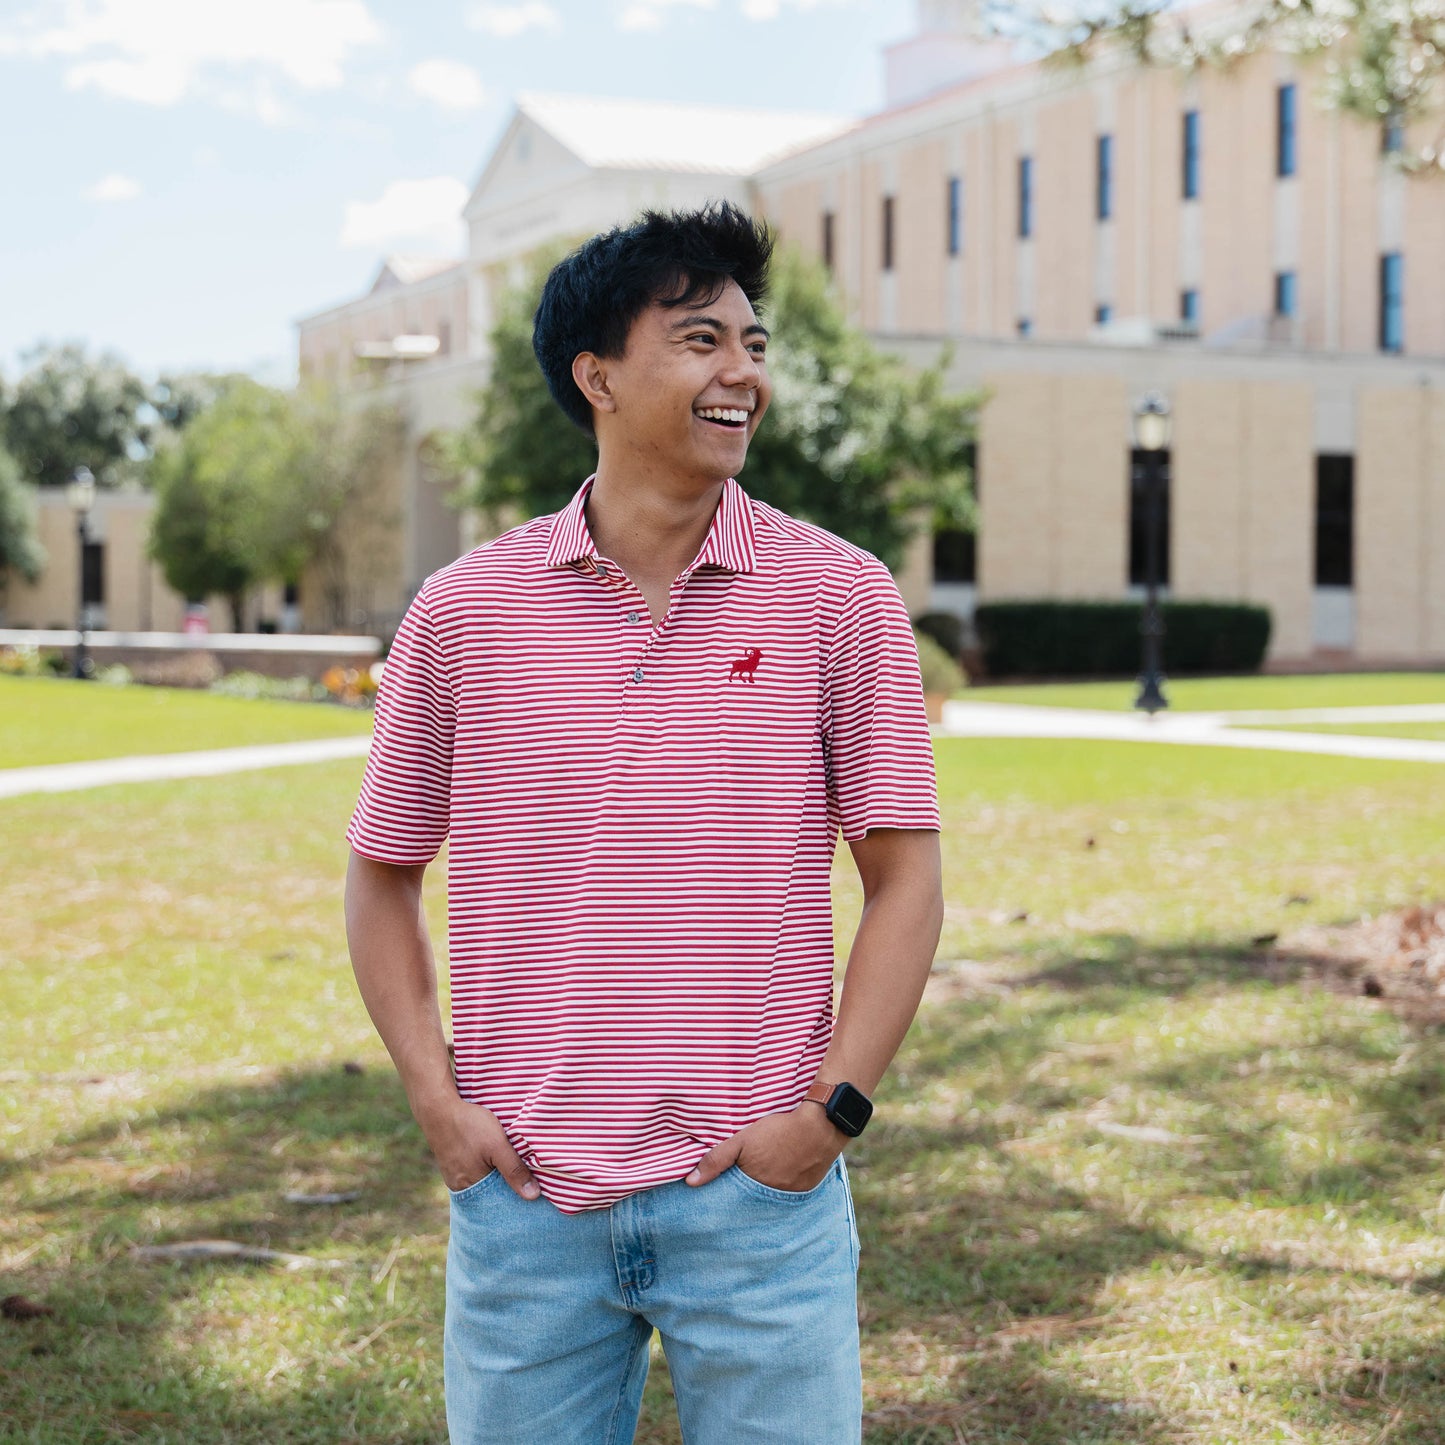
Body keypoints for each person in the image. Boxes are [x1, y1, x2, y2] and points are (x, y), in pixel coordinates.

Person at [344, 201, 943, 1444]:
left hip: (758, 1201)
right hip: (524, 1206)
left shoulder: (840, 595)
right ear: (597, 375)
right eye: (699, 339)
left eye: (754, 343)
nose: (742, 373)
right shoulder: (463, 611)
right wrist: (433, 1099)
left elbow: (904, 880)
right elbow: (383, 871)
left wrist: (829, 1115)